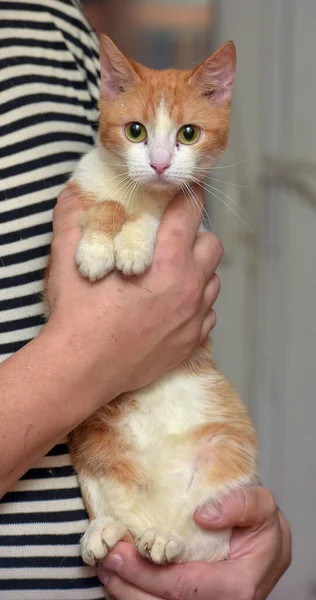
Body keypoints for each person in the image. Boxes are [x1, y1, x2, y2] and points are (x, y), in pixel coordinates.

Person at [0, 1, 291, 599]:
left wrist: (254, 546)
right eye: (140, 133)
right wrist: (87, 356)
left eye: (184, 136)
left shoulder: (54, 24)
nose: (160, 160)